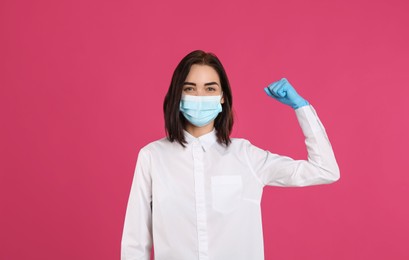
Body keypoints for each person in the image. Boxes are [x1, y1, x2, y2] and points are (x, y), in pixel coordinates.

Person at [121, 50, 340, 260]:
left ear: (222, 97)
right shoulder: (152, 157)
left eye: (209, 89)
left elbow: (325, 171)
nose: (200, 96)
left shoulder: (246, 156)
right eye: (190, 88)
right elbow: (135, 242)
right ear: (177, 95)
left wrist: (301, 108)